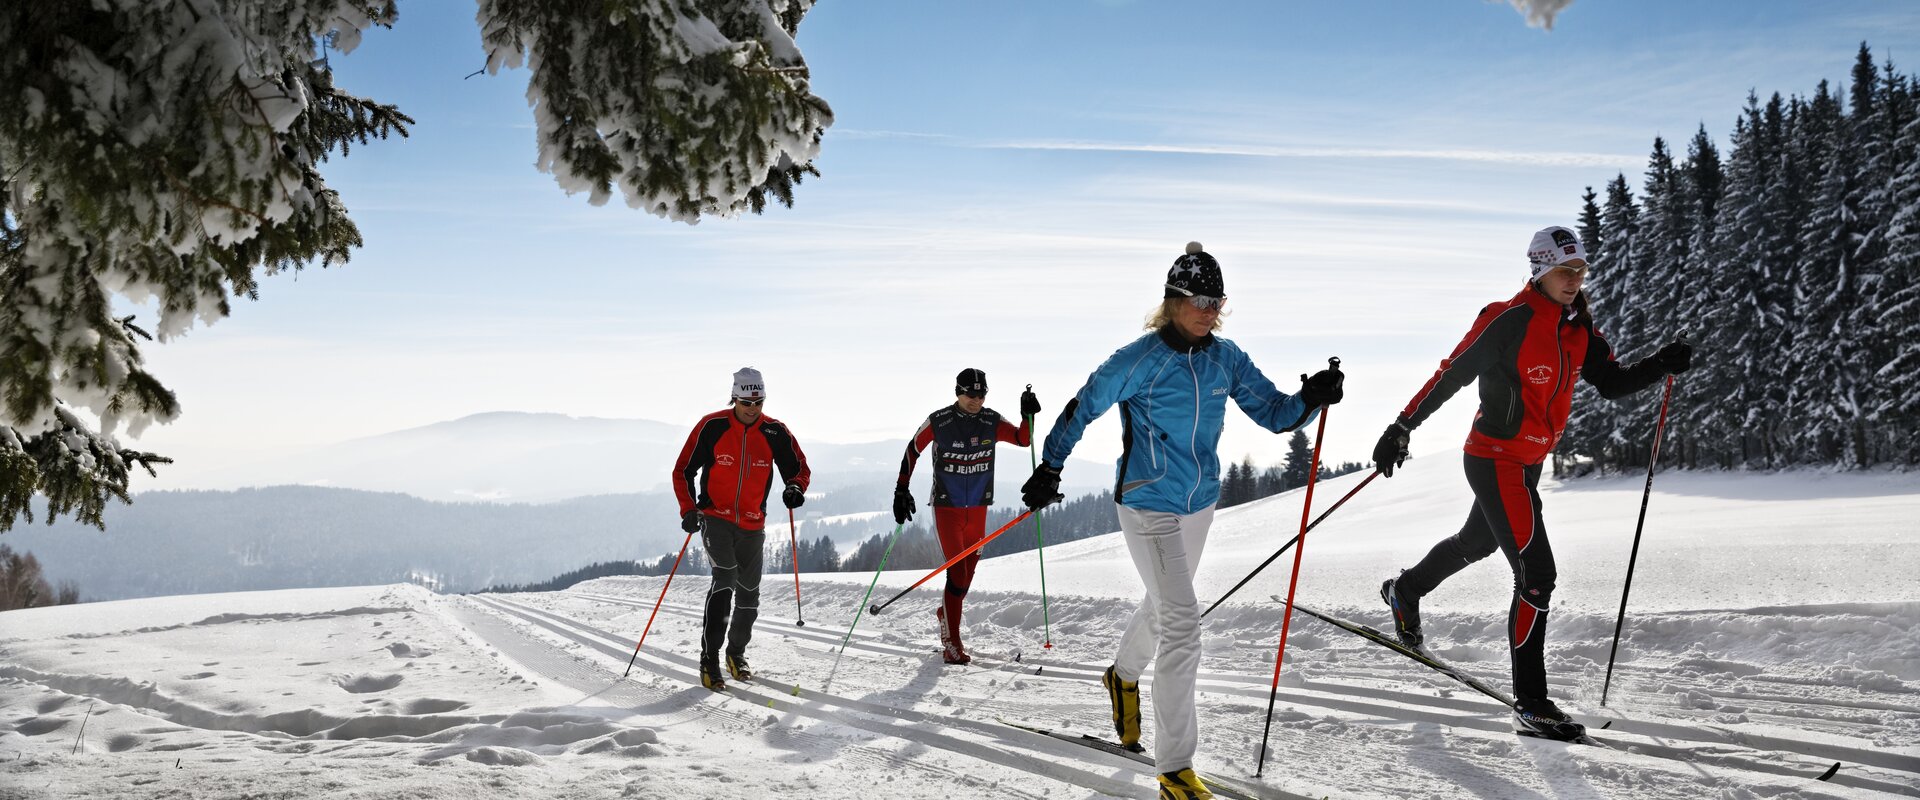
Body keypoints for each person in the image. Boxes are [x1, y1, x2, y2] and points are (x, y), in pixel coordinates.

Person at [1020, 242, 1343, 800]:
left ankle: (1120, 676)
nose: (1208, 309)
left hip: (1200, 504)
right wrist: (1050, 465)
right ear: (1172, 301)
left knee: (1164, 606)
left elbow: (1273, 414)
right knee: (1184, 628)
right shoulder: (1138, 360)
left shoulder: (1226, 358)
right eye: (1198, 299)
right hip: (1148, 504)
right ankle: (1175, 770)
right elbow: (1083, 405)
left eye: (1217, 300)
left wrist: (1311, 396)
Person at [1372, 225, 1692, 741]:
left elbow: (1610, 384)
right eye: (1566, 270)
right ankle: (1531, 703)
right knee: (1537, 573)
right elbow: (1450, 374)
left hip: (1528, 463)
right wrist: (1402, 426)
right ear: (1541, 270)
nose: (1575, 279)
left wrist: (1660, 365)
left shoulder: (1577, 327)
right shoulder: (1506, 319)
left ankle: (1404, 591)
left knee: (1473, 543)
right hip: (1493, 458)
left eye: (1581, 270)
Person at [671, 367, 812, 692]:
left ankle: (736, 654)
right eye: (747, 401)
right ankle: (710, 661)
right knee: (725, 578)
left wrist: (795, 488)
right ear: (734, 397)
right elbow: (682, 471)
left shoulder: (775, 432)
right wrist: (689, 509)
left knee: (749, 593)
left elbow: (799, 469)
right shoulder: (713, 426)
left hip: (752, 523)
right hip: (715, 517)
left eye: (758, 401)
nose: (753, 408)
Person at [894, 369, 1039, 664]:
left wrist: (1028, 415)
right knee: (957, 575)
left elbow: (1023, 440)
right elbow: (912, 449)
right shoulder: (940, 420)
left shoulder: (991, 421)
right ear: (958, 392)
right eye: (971, 394)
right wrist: (901, 489)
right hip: (947, 507)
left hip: (978, 508)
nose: (976, 400)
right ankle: (952, 643)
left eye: (982, 394)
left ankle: (946, 613)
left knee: (967, 575)